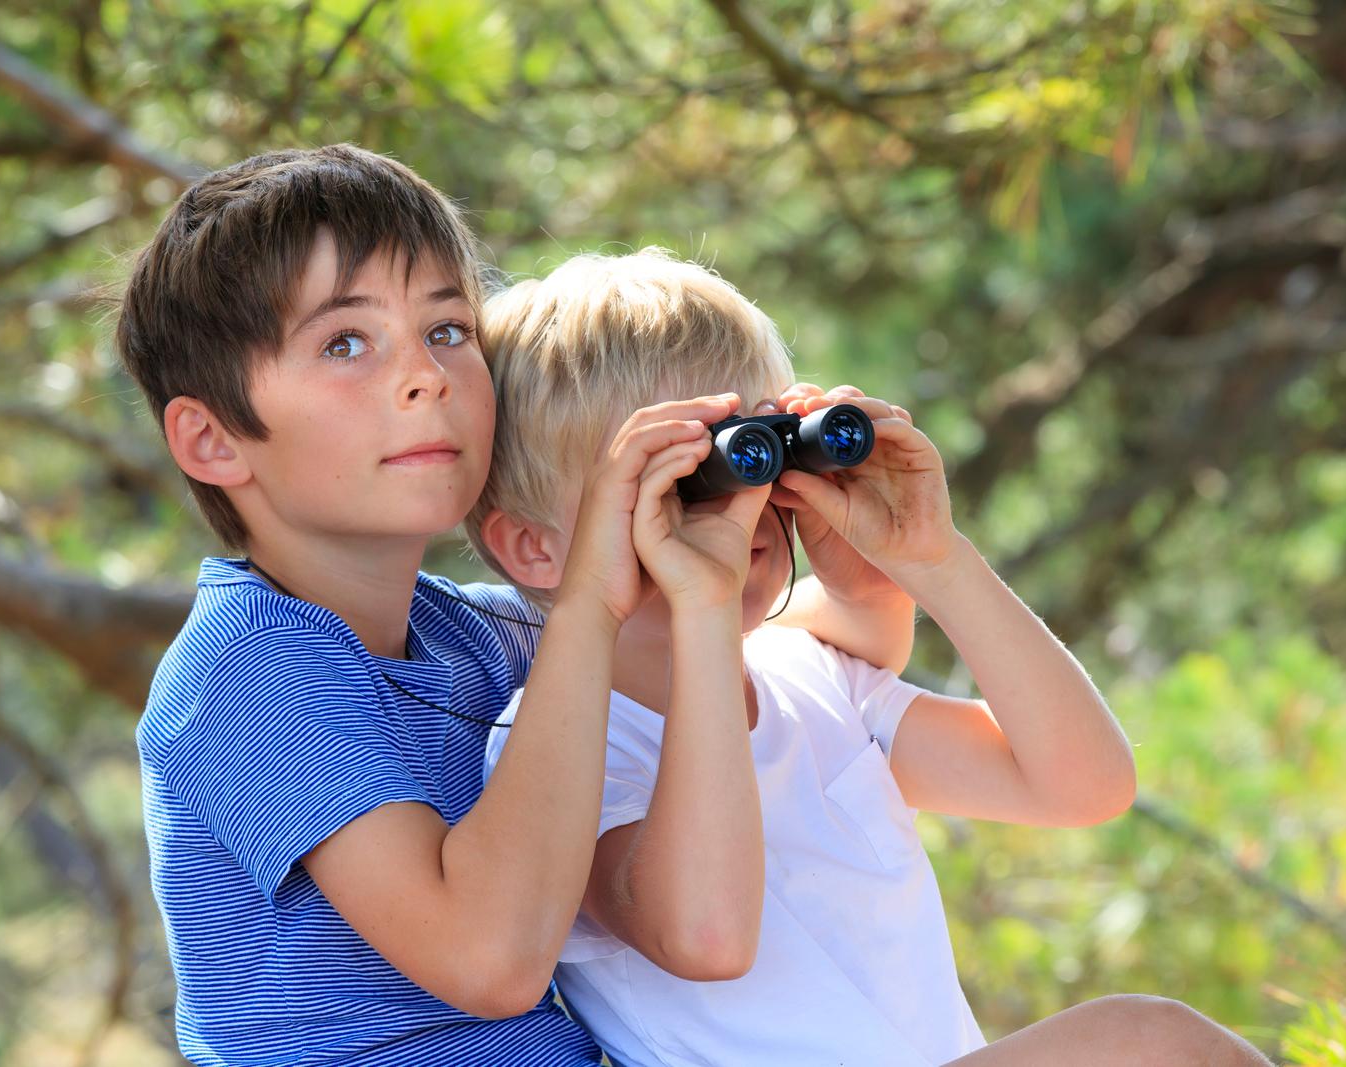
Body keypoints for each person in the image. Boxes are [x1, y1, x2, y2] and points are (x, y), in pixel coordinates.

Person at [115, 144, 915, 1065]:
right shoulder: (243, 671)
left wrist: (860, 546)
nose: (427, 375)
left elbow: (797, 647)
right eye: (345, 343)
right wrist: (587, 605)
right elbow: (489, 957)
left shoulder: (473, 635)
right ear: (212, 440)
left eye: (449, 329)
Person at [474, 248, 1273, 1066]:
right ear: (535, 548)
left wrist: (931, 559)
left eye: (759, 454)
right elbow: (706, 935)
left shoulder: (809, 681)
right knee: (1148, 1043)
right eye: (681, 477)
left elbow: (1086, 786)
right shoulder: (553, 754)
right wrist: (703, 609)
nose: (739, 511)